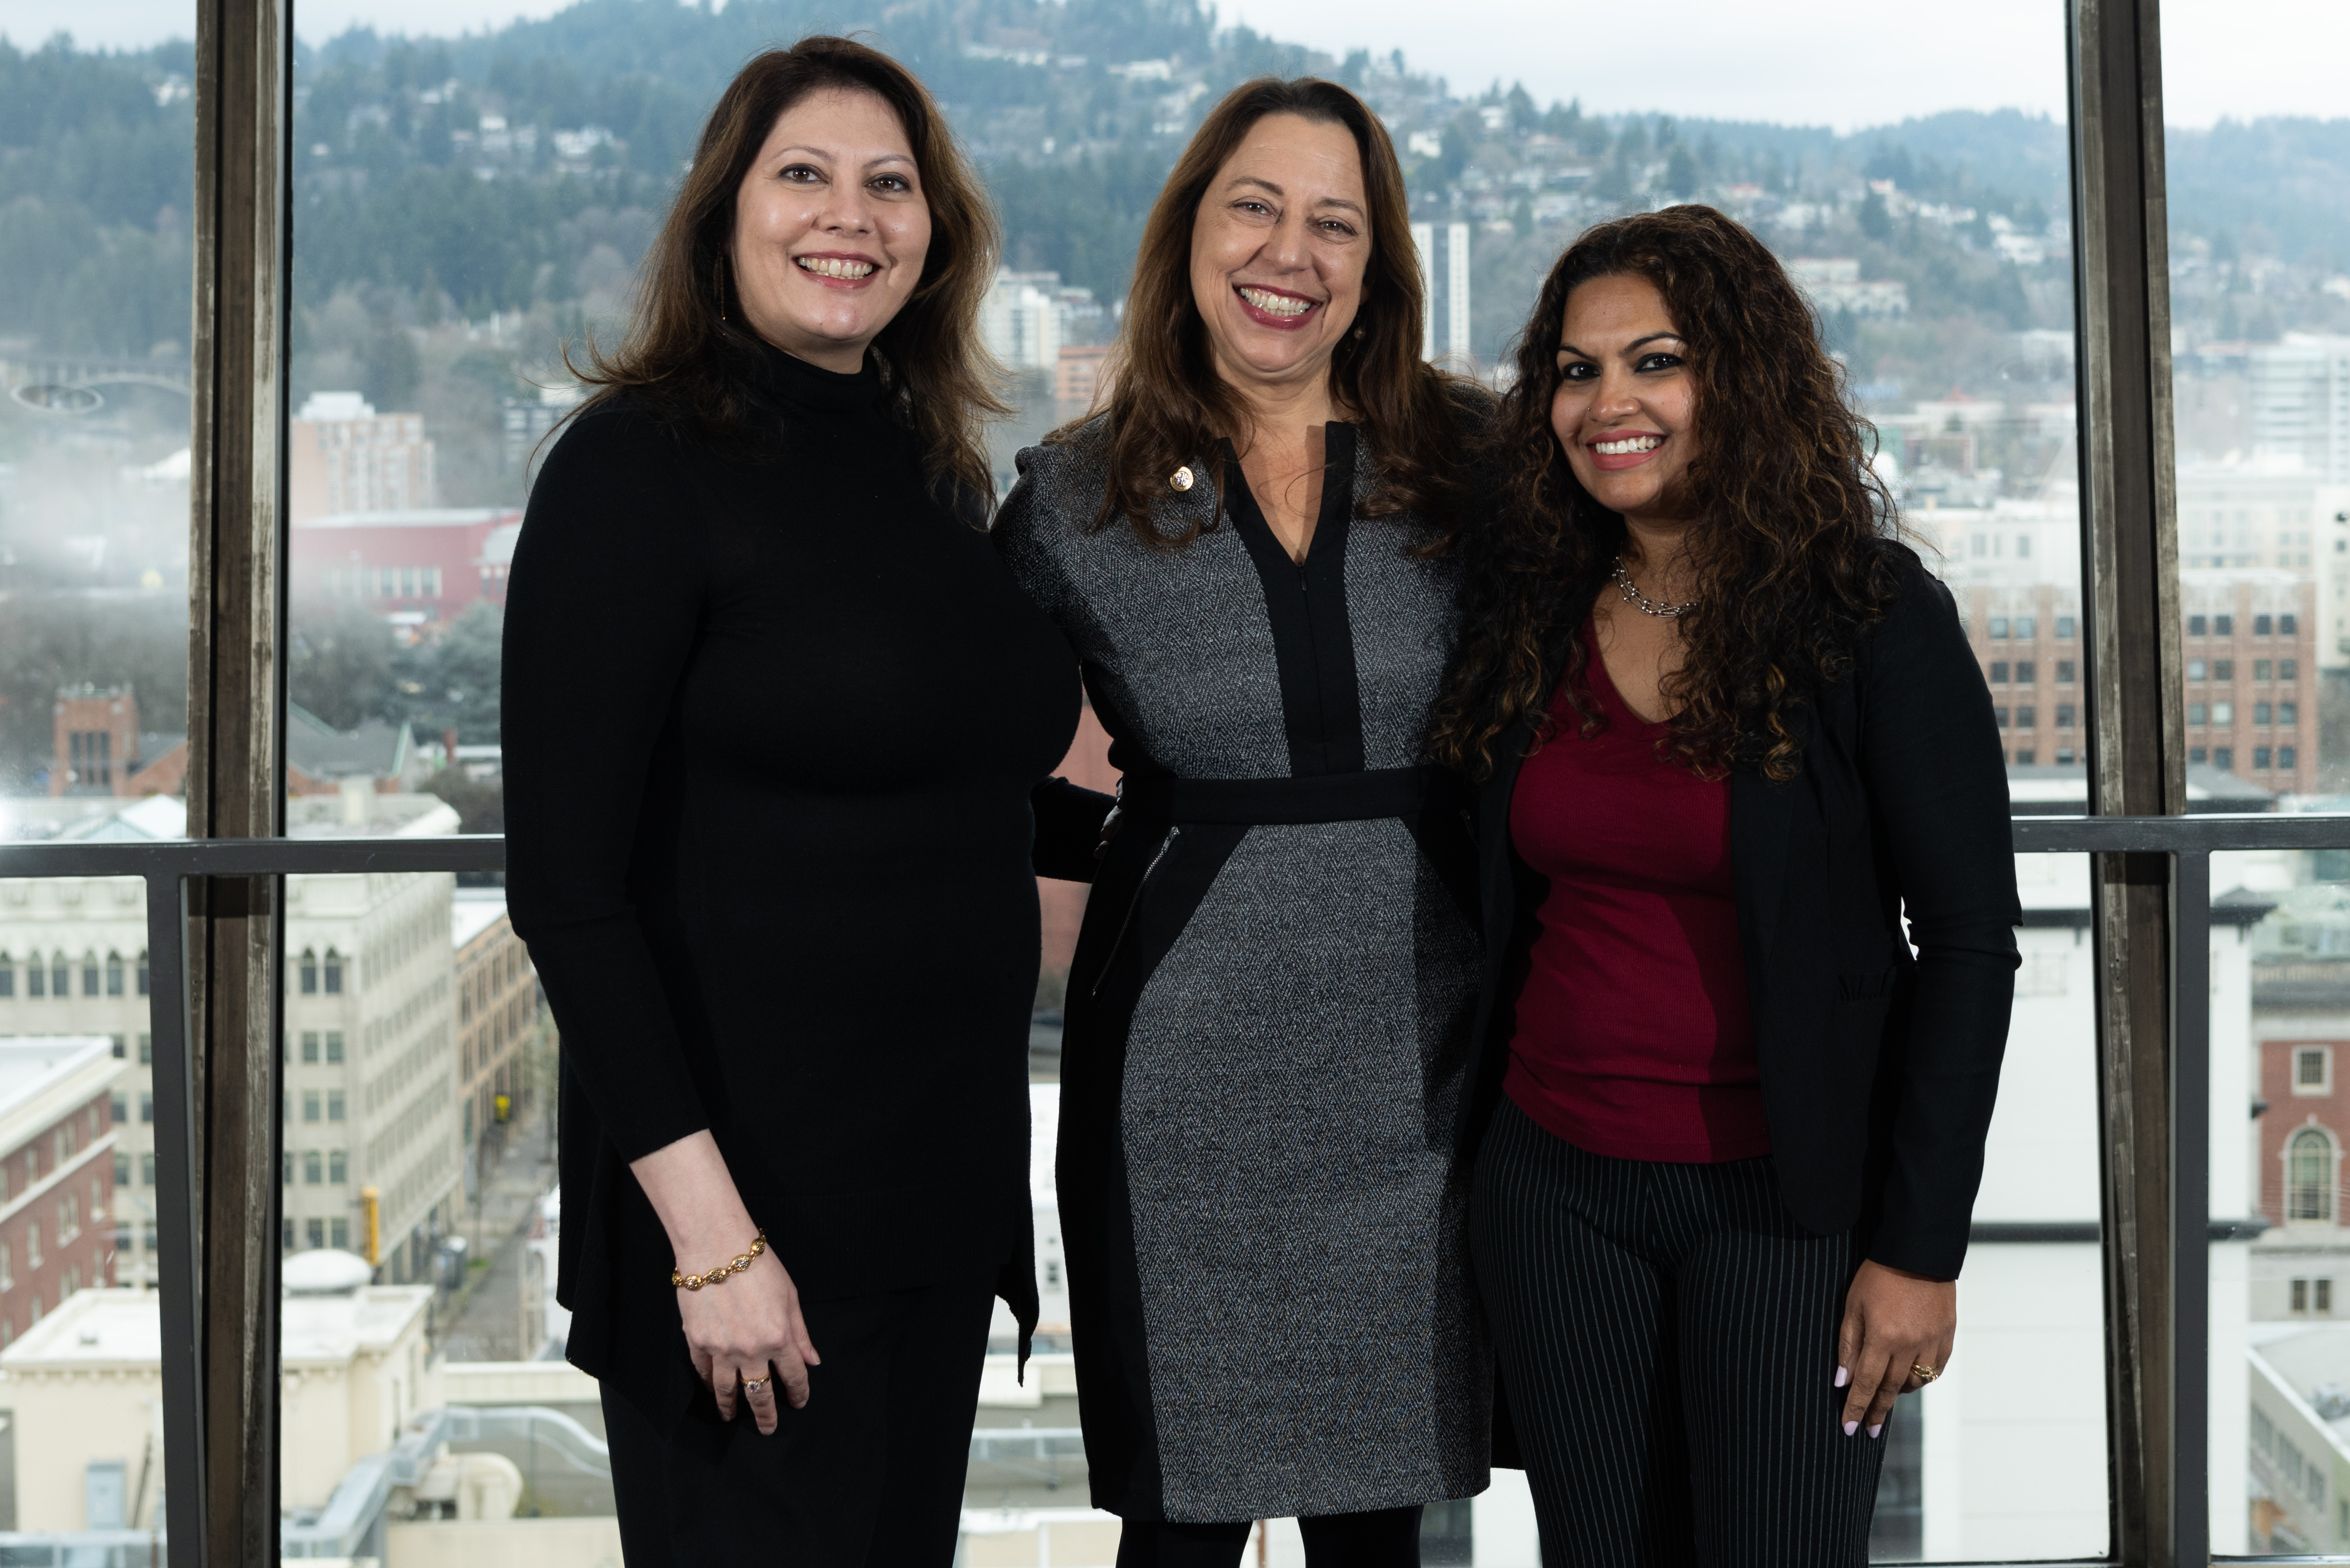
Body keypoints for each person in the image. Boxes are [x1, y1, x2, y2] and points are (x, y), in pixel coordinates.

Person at [501, 38, 1107, 1565]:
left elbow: (953, 791)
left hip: (925, 1204)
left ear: (933, 232)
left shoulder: (924, 467)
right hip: (750, 1230)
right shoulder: (631, 468)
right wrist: (713, 1248)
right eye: (806, 175)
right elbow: (566, 889)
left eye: (890, 184)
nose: (853, 215)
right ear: (725, 215)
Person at [1426, 205, 2020, 1566]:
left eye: (1657, 360)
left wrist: (1922, 1247)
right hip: (1554, 1190)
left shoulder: (1870, 615)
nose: (1608, 402)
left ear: (1741, 379)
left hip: (1787, 1205)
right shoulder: (1530, 607)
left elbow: (1974, 941)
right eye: (1576, 370)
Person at [992, 76, 1493, 1568]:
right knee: (1181, 1533)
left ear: (1378, 268)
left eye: (1335, 221)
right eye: (1255, 207)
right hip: (1178, 1094)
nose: (1292, 251)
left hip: (1428, 1073)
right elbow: (992, 780)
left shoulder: (1480, 471)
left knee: (1377, 1532)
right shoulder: (1071, 498)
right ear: (1189, 234)